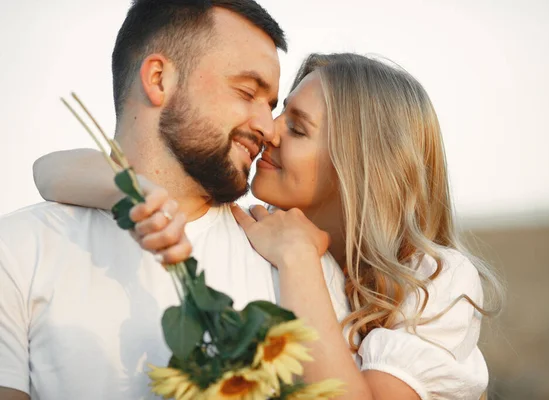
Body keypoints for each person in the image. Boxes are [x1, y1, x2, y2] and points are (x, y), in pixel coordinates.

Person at [32, 53, 505, 399]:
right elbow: (49, 171)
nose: (270, 130)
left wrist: (299, 257)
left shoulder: (430, 278)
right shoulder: (257, 230)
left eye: (297, 128)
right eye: (280, 113)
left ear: (360, 167)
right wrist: (136, 194)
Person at [0, 1, 347, 399]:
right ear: (159, 79)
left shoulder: (298, 262)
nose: (269, 129)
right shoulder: (18, 249)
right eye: (247, 92)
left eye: (271, 106)